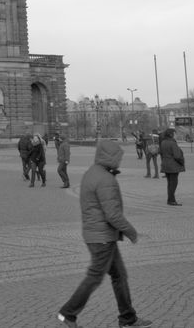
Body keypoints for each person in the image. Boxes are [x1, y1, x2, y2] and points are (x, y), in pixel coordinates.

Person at [56, 139, 152, 328]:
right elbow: (113, 215)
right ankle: (68, 313)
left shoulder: (93, 172)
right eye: (118, 157)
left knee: (119, 276)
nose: (120, 161)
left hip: (97, 235)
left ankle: (128, 318)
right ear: (111, 157)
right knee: (95, 277)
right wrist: (132, 233)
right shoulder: (105, 179)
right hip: (102, 238)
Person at [159, 128, 185, 206]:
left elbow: (161, 153)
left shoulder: (163, 142)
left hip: (166, 164)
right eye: (175, 133)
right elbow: (177, 156)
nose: (176, 135)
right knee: (173, 184)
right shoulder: (172, 143)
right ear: (171, 134)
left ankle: (170, 199)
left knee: (170, 183)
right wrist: (181, 162)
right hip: (173, 165)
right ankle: (171, 200)